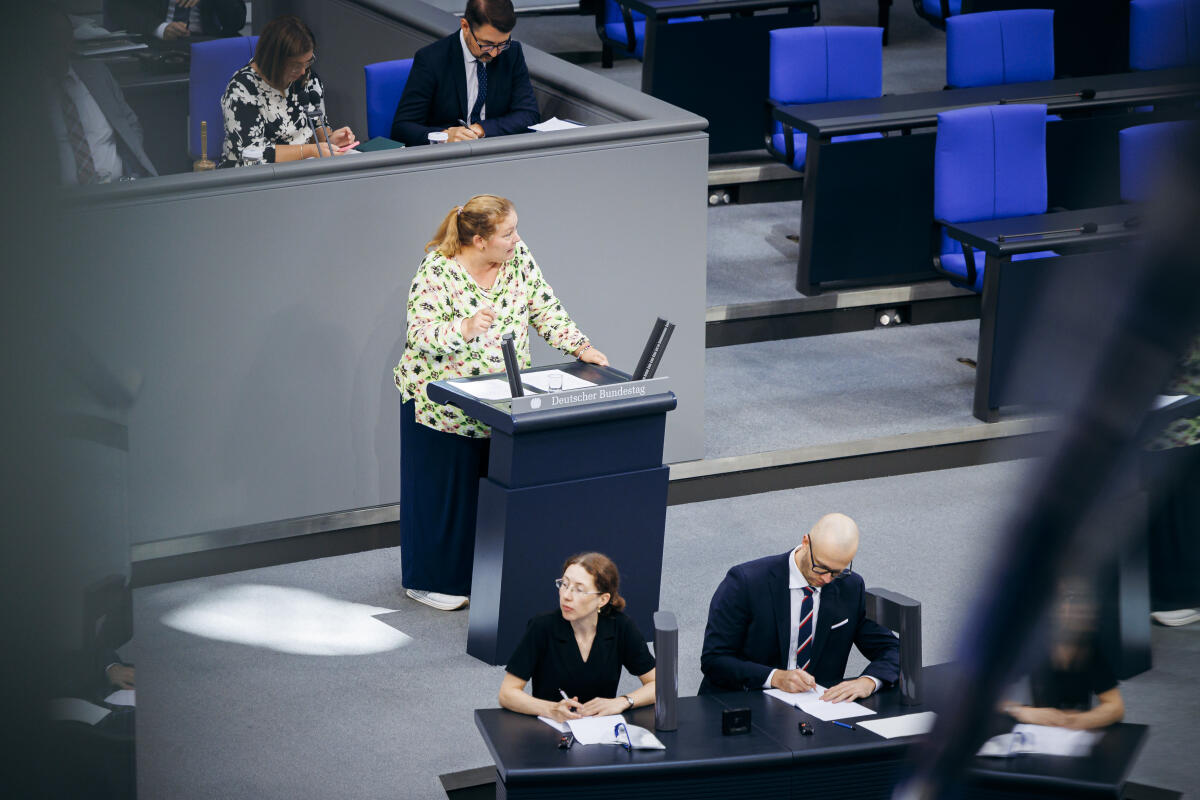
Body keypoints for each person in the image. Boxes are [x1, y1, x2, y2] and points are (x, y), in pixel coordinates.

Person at [393, 195, 608, 611]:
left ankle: (483, 574)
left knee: (489, 495)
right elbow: (420, 334)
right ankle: (426, 580)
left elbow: (545, 307)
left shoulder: (518, 258)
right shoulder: (437, 271)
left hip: (499, 403)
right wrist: (466, 327)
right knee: (444, 497)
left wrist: (581, 347)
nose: (517, 239)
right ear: (478, 240)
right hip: (440, 404)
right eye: (508, 233)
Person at [699, 512, 900, 701]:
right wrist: (776, 677)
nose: (827, 579)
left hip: (815, 709)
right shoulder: (746, 582)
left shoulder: (850, 587)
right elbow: (715, 659)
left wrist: (869, 681)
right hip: (747, 701)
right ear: (806, 543)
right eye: (820, 567)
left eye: (837, 572)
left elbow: (893, 649)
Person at [499, 553, 656, 721]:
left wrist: (623, 701)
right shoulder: (542, 627)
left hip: (600, 730)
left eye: (579, 590)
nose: (566, 595)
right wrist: (551, 709)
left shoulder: (620, 627)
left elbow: (660, 685)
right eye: (564, 585)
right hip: (550, 728)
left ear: (602, 599)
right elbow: (507, 693)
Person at [390, 0, 540, 146]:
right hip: (447, 157)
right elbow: (402, 128)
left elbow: (528, 114)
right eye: (487, 44)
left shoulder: (512, 53)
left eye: (502, 44)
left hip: (494, 149)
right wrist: (444, 135)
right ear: (465, 26)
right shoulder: (431, 59)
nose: (494, 53)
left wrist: (481, 129)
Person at [219, 15, 356, 167]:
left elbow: (317, 124)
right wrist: (311, 151)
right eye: (296, 65)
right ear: (273, 59)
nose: (303, 71)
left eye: (308, 62)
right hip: (255, 175)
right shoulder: (242, 89)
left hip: (304, 165)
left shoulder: (307, 78)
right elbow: (251, 154)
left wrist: (330, 141)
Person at [45, 7, 158, 184]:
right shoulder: (22, 98)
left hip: (117, 191)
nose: (54, 50)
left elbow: (130, 124)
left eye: (60, 40)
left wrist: (132, 175)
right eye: (47, 43)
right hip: (59, 204)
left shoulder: (96, 74)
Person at [1003, 582, 1125, 730]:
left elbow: (1116, 707)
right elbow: (979, 697)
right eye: (1066, 600)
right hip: (1018, 730)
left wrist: (1075, 720)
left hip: (1061, 736)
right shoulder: (1026, 642)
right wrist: (1021, 711)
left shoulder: (1087, 644)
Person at [107, 0, 245, 41]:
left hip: (208, 41)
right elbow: (119, 8)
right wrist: (160, 28)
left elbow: (236, 21)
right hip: (155, 42)